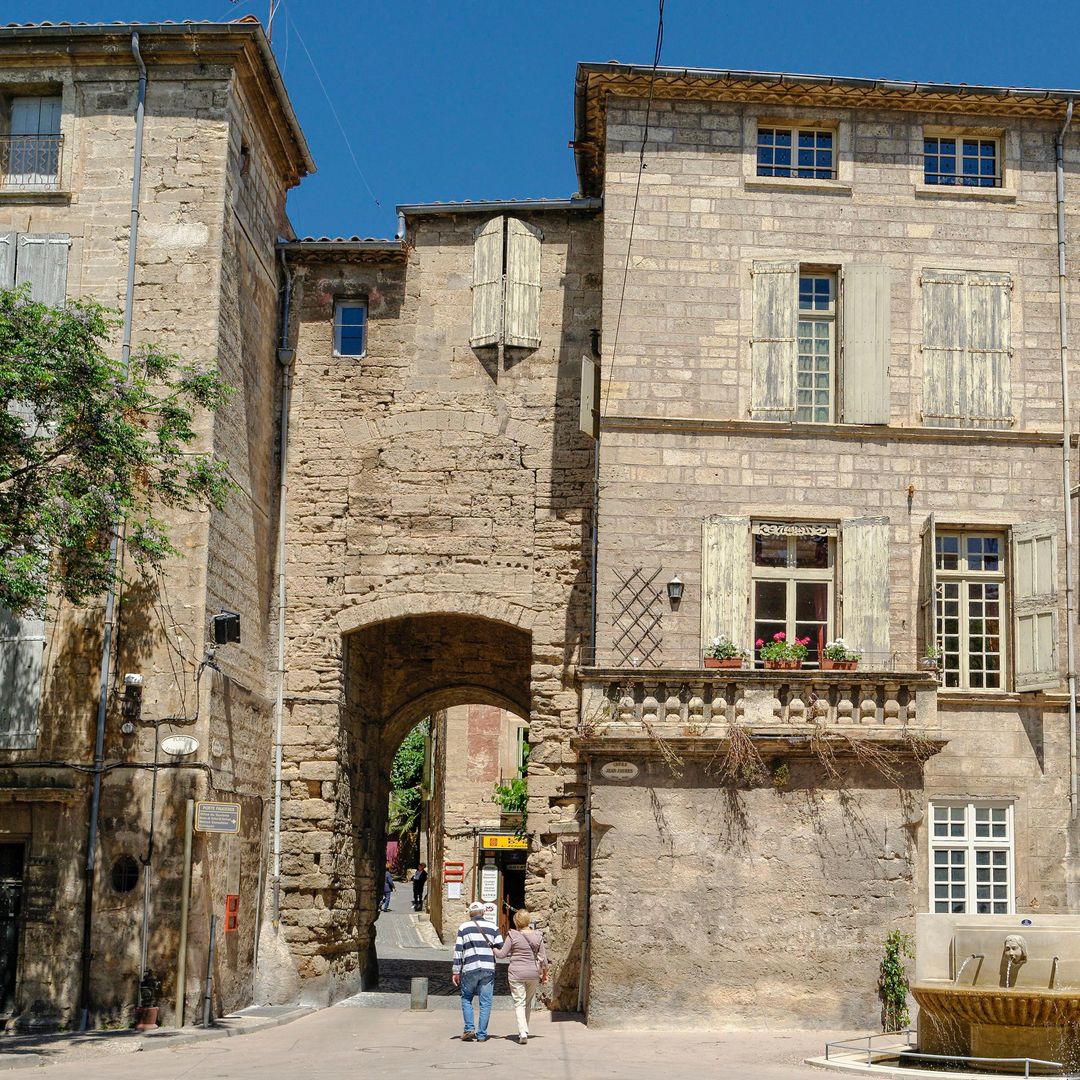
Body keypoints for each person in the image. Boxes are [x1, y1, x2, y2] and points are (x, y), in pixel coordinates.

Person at [451, 901, 504, 1042]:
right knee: (485, 1002)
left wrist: (456, 971)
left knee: (466, 998)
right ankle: (481, 1034)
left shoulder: (463, 927)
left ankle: (469, 1029)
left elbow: (458, 951)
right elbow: (501, 947)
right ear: (483, 912)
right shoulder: (493, 927)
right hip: (488, 968)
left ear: (470, 914)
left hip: (470, 968)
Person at [494, 907, 548, 1044]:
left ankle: (522, 1031)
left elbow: (502, 954)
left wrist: (492, 948)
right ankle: (524, 1030)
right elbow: (543, 959)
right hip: (533, 973)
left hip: (516, 973)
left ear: (516, 922)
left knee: (519, 1002)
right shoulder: (538, 936)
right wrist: (545, 975)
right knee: (527, 1003)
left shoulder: (512, 935)